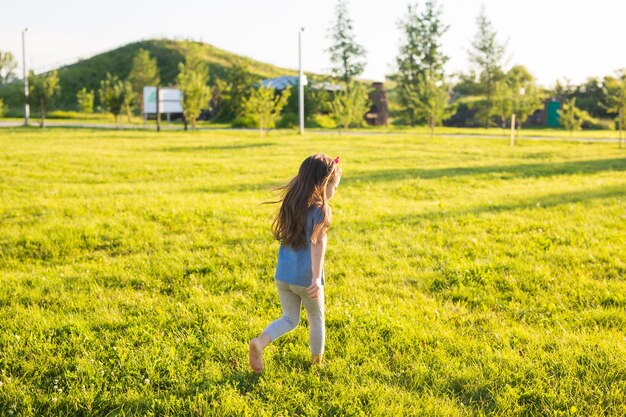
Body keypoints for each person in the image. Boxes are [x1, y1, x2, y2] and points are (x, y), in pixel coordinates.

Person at [249, 154, 341, 374]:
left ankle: (260, 342)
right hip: (306, 280)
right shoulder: (321, 211)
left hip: (283, 276)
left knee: (289, 318)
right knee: (317, 320)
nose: (335, 192)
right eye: (334, 186)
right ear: (323, 184)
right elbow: (318, 245)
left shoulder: (292, 202)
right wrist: (316, 279)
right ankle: (316, 363)